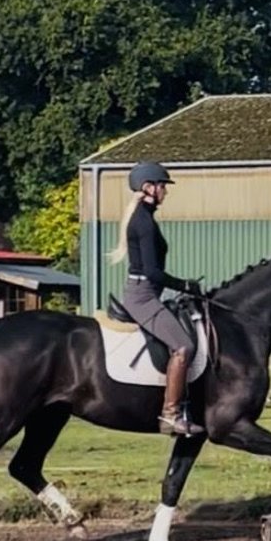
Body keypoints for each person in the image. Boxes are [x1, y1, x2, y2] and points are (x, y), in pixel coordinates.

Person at [109, 161, 205, 437]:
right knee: (183, 347)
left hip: (147, 292)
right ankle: (171, 415)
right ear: (148, 188)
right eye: (162, 185)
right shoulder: (144, 223)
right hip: (143, 296)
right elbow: (152, 271)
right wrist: (184, 284)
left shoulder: (143, 217)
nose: (166, 191)